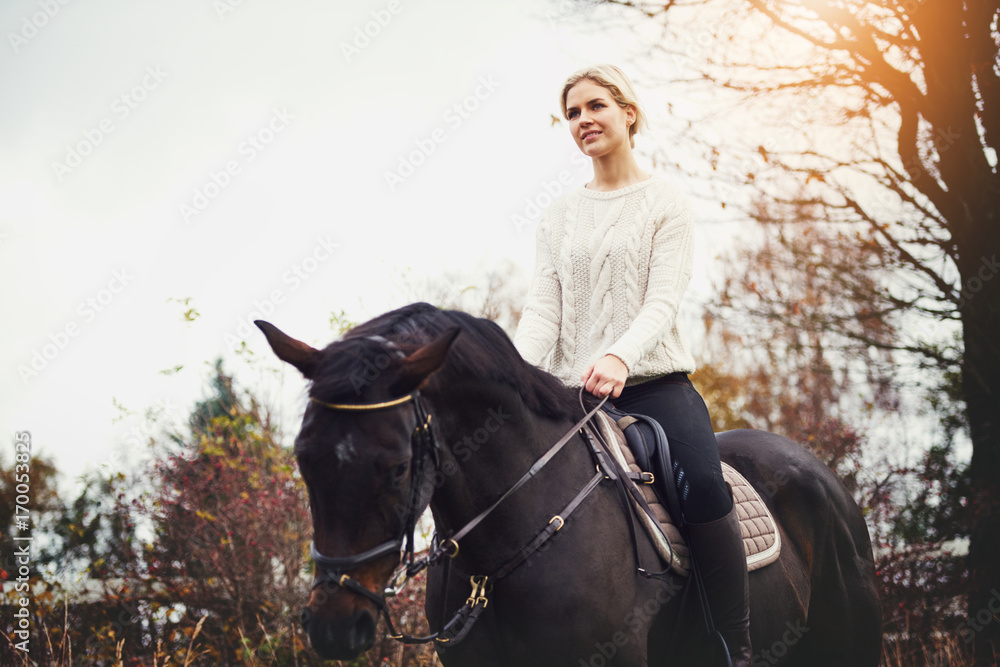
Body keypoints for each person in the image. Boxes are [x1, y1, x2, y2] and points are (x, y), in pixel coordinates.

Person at [513, 64, 751, 666]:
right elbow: (544, 309)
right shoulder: (559, 215)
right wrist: (514, 377)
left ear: (628, 114)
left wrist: (620, 353)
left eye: (595, 107)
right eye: (572, 113)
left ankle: (734, 643)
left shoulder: (664, 202)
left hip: (652, 386)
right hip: (572, 398)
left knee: (702, 485)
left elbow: (662, 300)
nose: (583, 121)